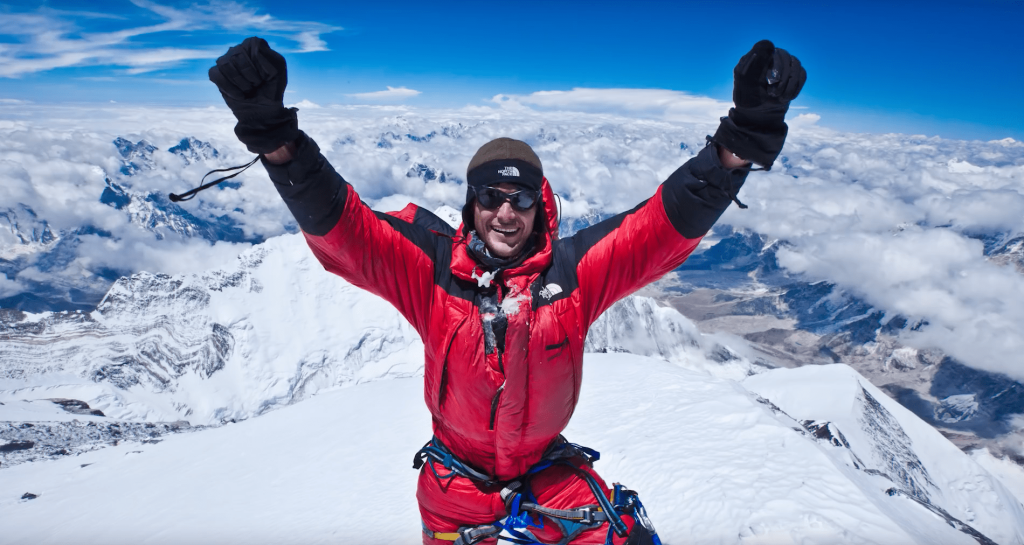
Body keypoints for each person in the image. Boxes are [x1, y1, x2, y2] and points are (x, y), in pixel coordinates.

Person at [208, 38, 805, 545]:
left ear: (538, 206)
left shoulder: (572, 276)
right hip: (455, 482)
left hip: (547, 470)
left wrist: (736, 148)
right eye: (490, 197)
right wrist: (277, 142)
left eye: (519, 199)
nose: (504, 213)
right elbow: (347, 231)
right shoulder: (432, 272)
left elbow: (657, 229)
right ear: (472, 204)